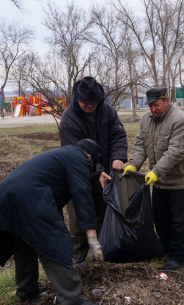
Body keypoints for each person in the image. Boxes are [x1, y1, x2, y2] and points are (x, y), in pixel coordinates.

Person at [0, 139, 112, 305]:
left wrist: (95, 176)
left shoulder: (64, 154)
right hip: (32, 199)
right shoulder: (80, 158)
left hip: (9, 195)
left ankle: (26, 291)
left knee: (24, 242)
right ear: (89, 156)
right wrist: (92, 238)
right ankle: (74, 299)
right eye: (92, 166)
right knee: (55, 244)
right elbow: (82, 195)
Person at [123, 87, 184, 271]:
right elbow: (140, 144)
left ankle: (178, 256)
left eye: (156, 104)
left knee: (179, 221)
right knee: (160, 218)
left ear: (166, 100)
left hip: (181, 180)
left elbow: (176, 152)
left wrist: (156, 171)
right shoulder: (145, 120)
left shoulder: (180, 121)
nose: (153, 109)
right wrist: (134, 164)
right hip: (160, 181)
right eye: (150, 105)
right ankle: (166, 249)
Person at [59, 76, 128, 267]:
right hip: (77, 173)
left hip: (105, 171)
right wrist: (97, 171)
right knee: (77, 215)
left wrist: (118, 156)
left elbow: (118, 136)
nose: (90, 106)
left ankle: (103, 248)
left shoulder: (107, 111)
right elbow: (77, 154)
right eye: (86, 103)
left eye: (94, 103)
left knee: (104, 209)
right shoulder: (69, 119)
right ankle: (78, 255)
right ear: (78, 99)